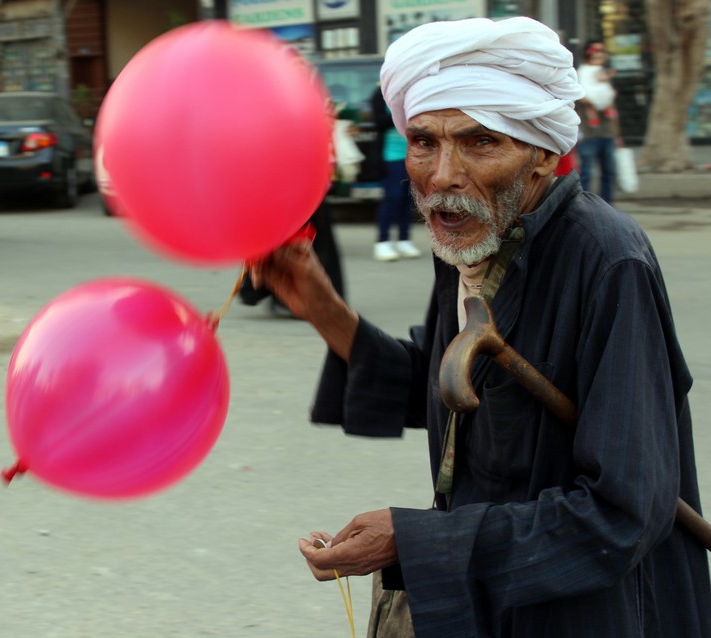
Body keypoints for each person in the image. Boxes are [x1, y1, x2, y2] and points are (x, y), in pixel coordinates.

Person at [250, 17, 710, 637]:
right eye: (424, 142)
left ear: (542, 153)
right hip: (494, 600)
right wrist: (322, 306)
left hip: (593, 612)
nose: (442, 175)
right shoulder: (471, 238)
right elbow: (459, 383)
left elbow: (624, 511)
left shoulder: (607, 261)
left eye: (480, 142)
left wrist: (413, 541)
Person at [371, 84, 420, 262]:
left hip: (413, 156)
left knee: (408, 199)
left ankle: (404, 239)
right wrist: (401, 115)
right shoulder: (380, 93)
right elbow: (378, 122)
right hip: (391, 156)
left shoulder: (413, 93)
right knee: (392, 198)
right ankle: (382, 241)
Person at [575, 40, 622, 203]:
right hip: (588, 133)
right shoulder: (581, 74)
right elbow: (581, 98)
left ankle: (607, 205)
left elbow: (610, 101)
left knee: (609, 171)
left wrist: (618, 134)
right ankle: (585, 206)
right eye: (596, 50)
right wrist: (596, 101)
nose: (600, 54)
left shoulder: (601, 73)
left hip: (607, 132)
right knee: (587, 171)